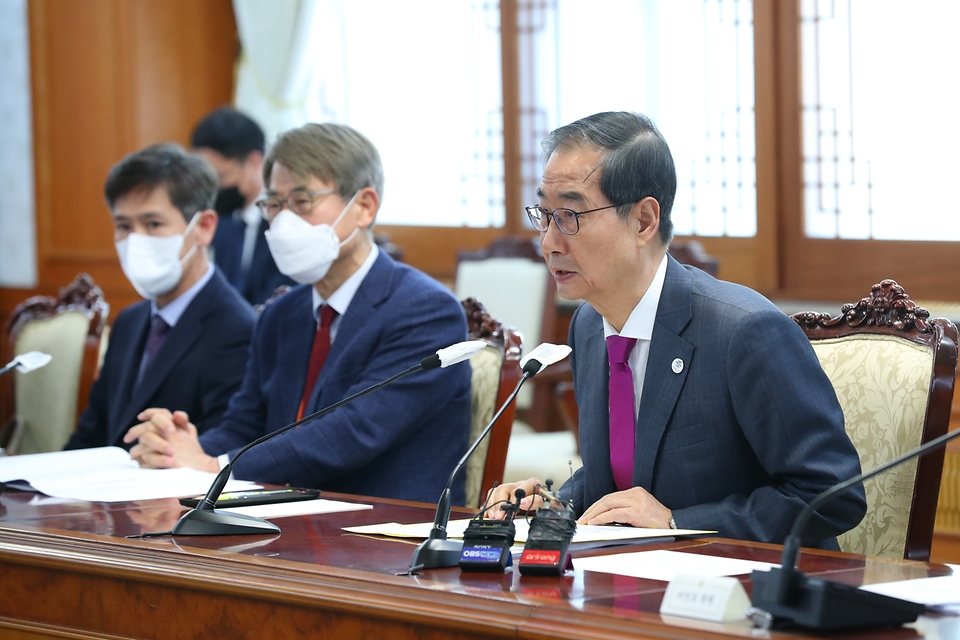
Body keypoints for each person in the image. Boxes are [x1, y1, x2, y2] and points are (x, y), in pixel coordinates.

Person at [488, 112, 866, 548]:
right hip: (630, 586)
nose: (549, 241)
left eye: (571, 215)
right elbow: (625, 476)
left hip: (741, 593)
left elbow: (832, 495)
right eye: (545, 214)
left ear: (644, 221)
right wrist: (553, 505)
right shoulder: (589, 325)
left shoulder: (744, 332)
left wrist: (677, 522)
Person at [124, 123, 473, 504]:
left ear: (364, 206)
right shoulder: (281, 315)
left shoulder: (425, 310)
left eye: (302, 201)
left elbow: (352, 432)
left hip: (383, 530)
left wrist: (217, 467)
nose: (283, 220)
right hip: (279, 520)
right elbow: (245, 425)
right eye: (274, 204)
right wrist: (180, 450)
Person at [65, 144, 255, 450]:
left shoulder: (238, 328)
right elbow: (93, 431)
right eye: (124, 226)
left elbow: (219, 447)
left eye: (153, 224)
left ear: (204, 227)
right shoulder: (130, 320)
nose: (136, 239)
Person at [191, 107, 294, 306]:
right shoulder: (218, 223)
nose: (217, 189)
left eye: (222, 176)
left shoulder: (285, 222)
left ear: (254, 162)